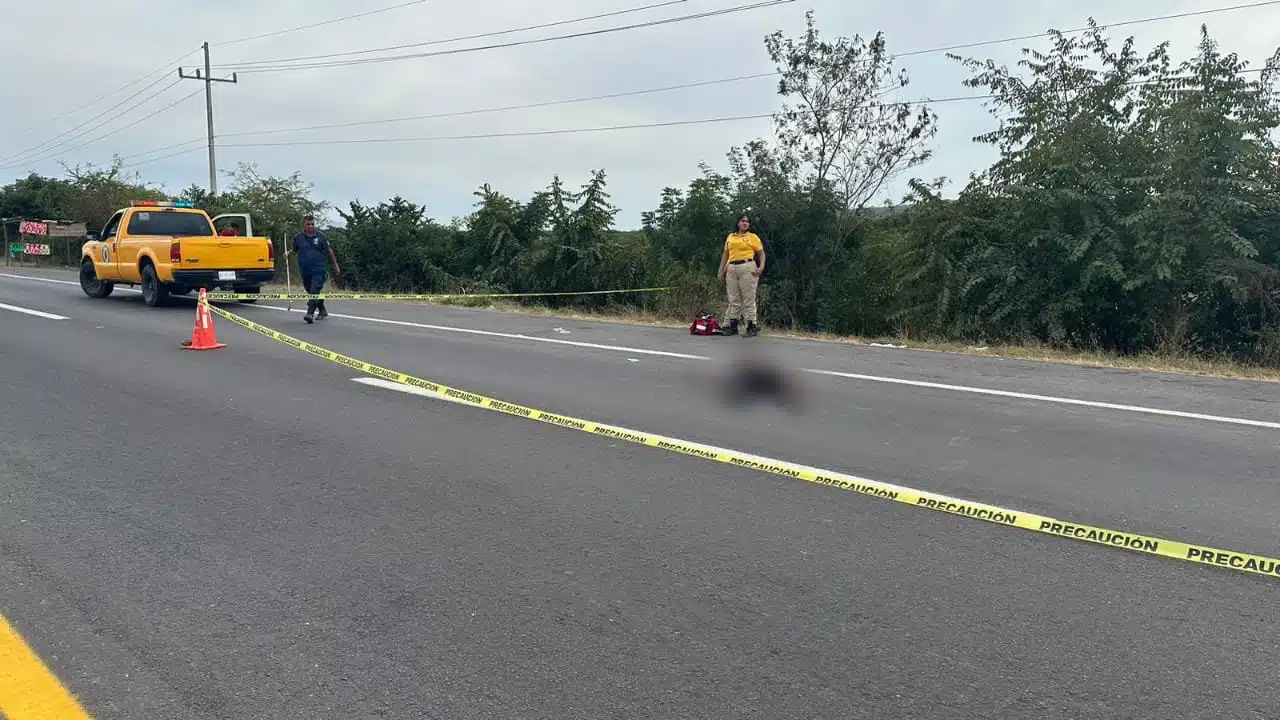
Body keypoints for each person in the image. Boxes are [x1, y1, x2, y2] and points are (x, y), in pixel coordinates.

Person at [716, 213, 766, 337]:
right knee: (734, 298)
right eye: (742, 221)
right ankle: (732, 325)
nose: (745, 223)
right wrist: (721, 270)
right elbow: (726, 254)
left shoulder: (752, 237)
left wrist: (761, 267)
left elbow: (761, 253)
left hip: (747, 266)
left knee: (748, 297)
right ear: (738, 223)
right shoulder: (731, 237)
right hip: (732, 267)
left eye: (747, 222)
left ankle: (751, 325)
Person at [291, 215, 340, 323]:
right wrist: (288, 253)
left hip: (319, 268)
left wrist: (335, 265)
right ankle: (322, 310)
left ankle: (310, 313)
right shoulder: (298, 237)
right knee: (310, 290)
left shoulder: (321, 236)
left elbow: (329, 251)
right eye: (308, 224)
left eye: (312, 224)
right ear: (304, 225)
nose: (310, 226)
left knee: (315, 289)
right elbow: (294, 250)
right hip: (305, 269)